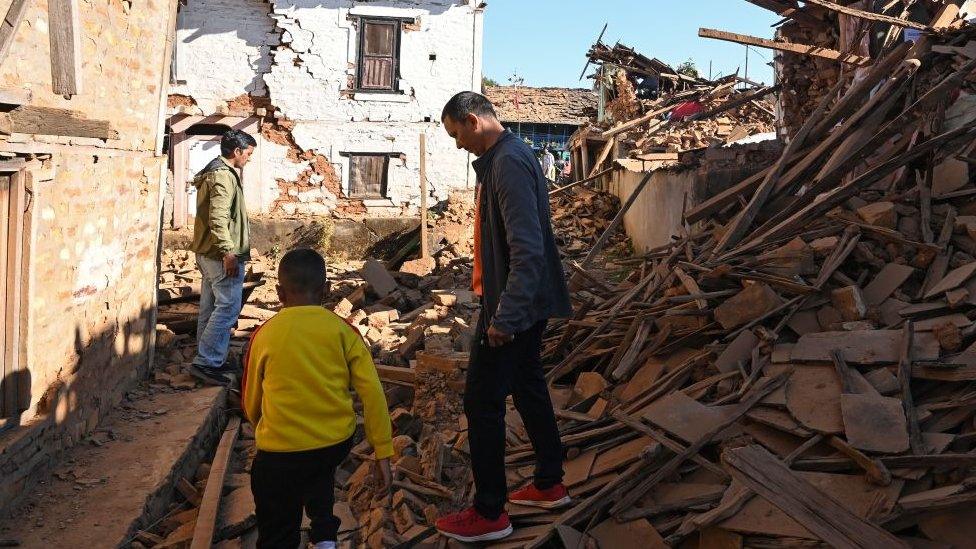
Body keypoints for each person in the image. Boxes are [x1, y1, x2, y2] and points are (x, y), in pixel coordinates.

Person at [435, 91, 573, 543]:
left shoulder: (508, 162)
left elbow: (528, 250)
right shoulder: (508, 158)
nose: (457, 146)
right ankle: (550, 482)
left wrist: (505, 317)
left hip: (514, 306)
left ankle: (490, 511)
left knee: (481, 402)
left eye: (457, 135)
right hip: (519, 301)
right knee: (528, 384)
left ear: (473, 121)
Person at [242, 248, 393, 549]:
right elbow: (373, 392)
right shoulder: (344, 331)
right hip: (332, 444)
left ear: (279, 293)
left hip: (279, 450)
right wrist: (383, 451)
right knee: (318, 472)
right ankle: (324, 534)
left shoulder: (264, 335)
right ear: (326, 291)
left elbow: (251, 402)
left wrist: (264, 424)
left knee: (276, 513)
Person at [188, 129, 256, 386]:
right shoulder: (223, 176)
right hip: (220, 254)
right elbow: (218, 217)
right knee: (228, 306)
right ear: (237, 152)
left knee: (210, 305)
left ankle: (207, 356)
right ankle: (207, 361)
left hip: (207, 252)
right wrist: (229, 252)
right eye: (248, 154)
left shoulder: (214, 171)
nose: (248, 158)